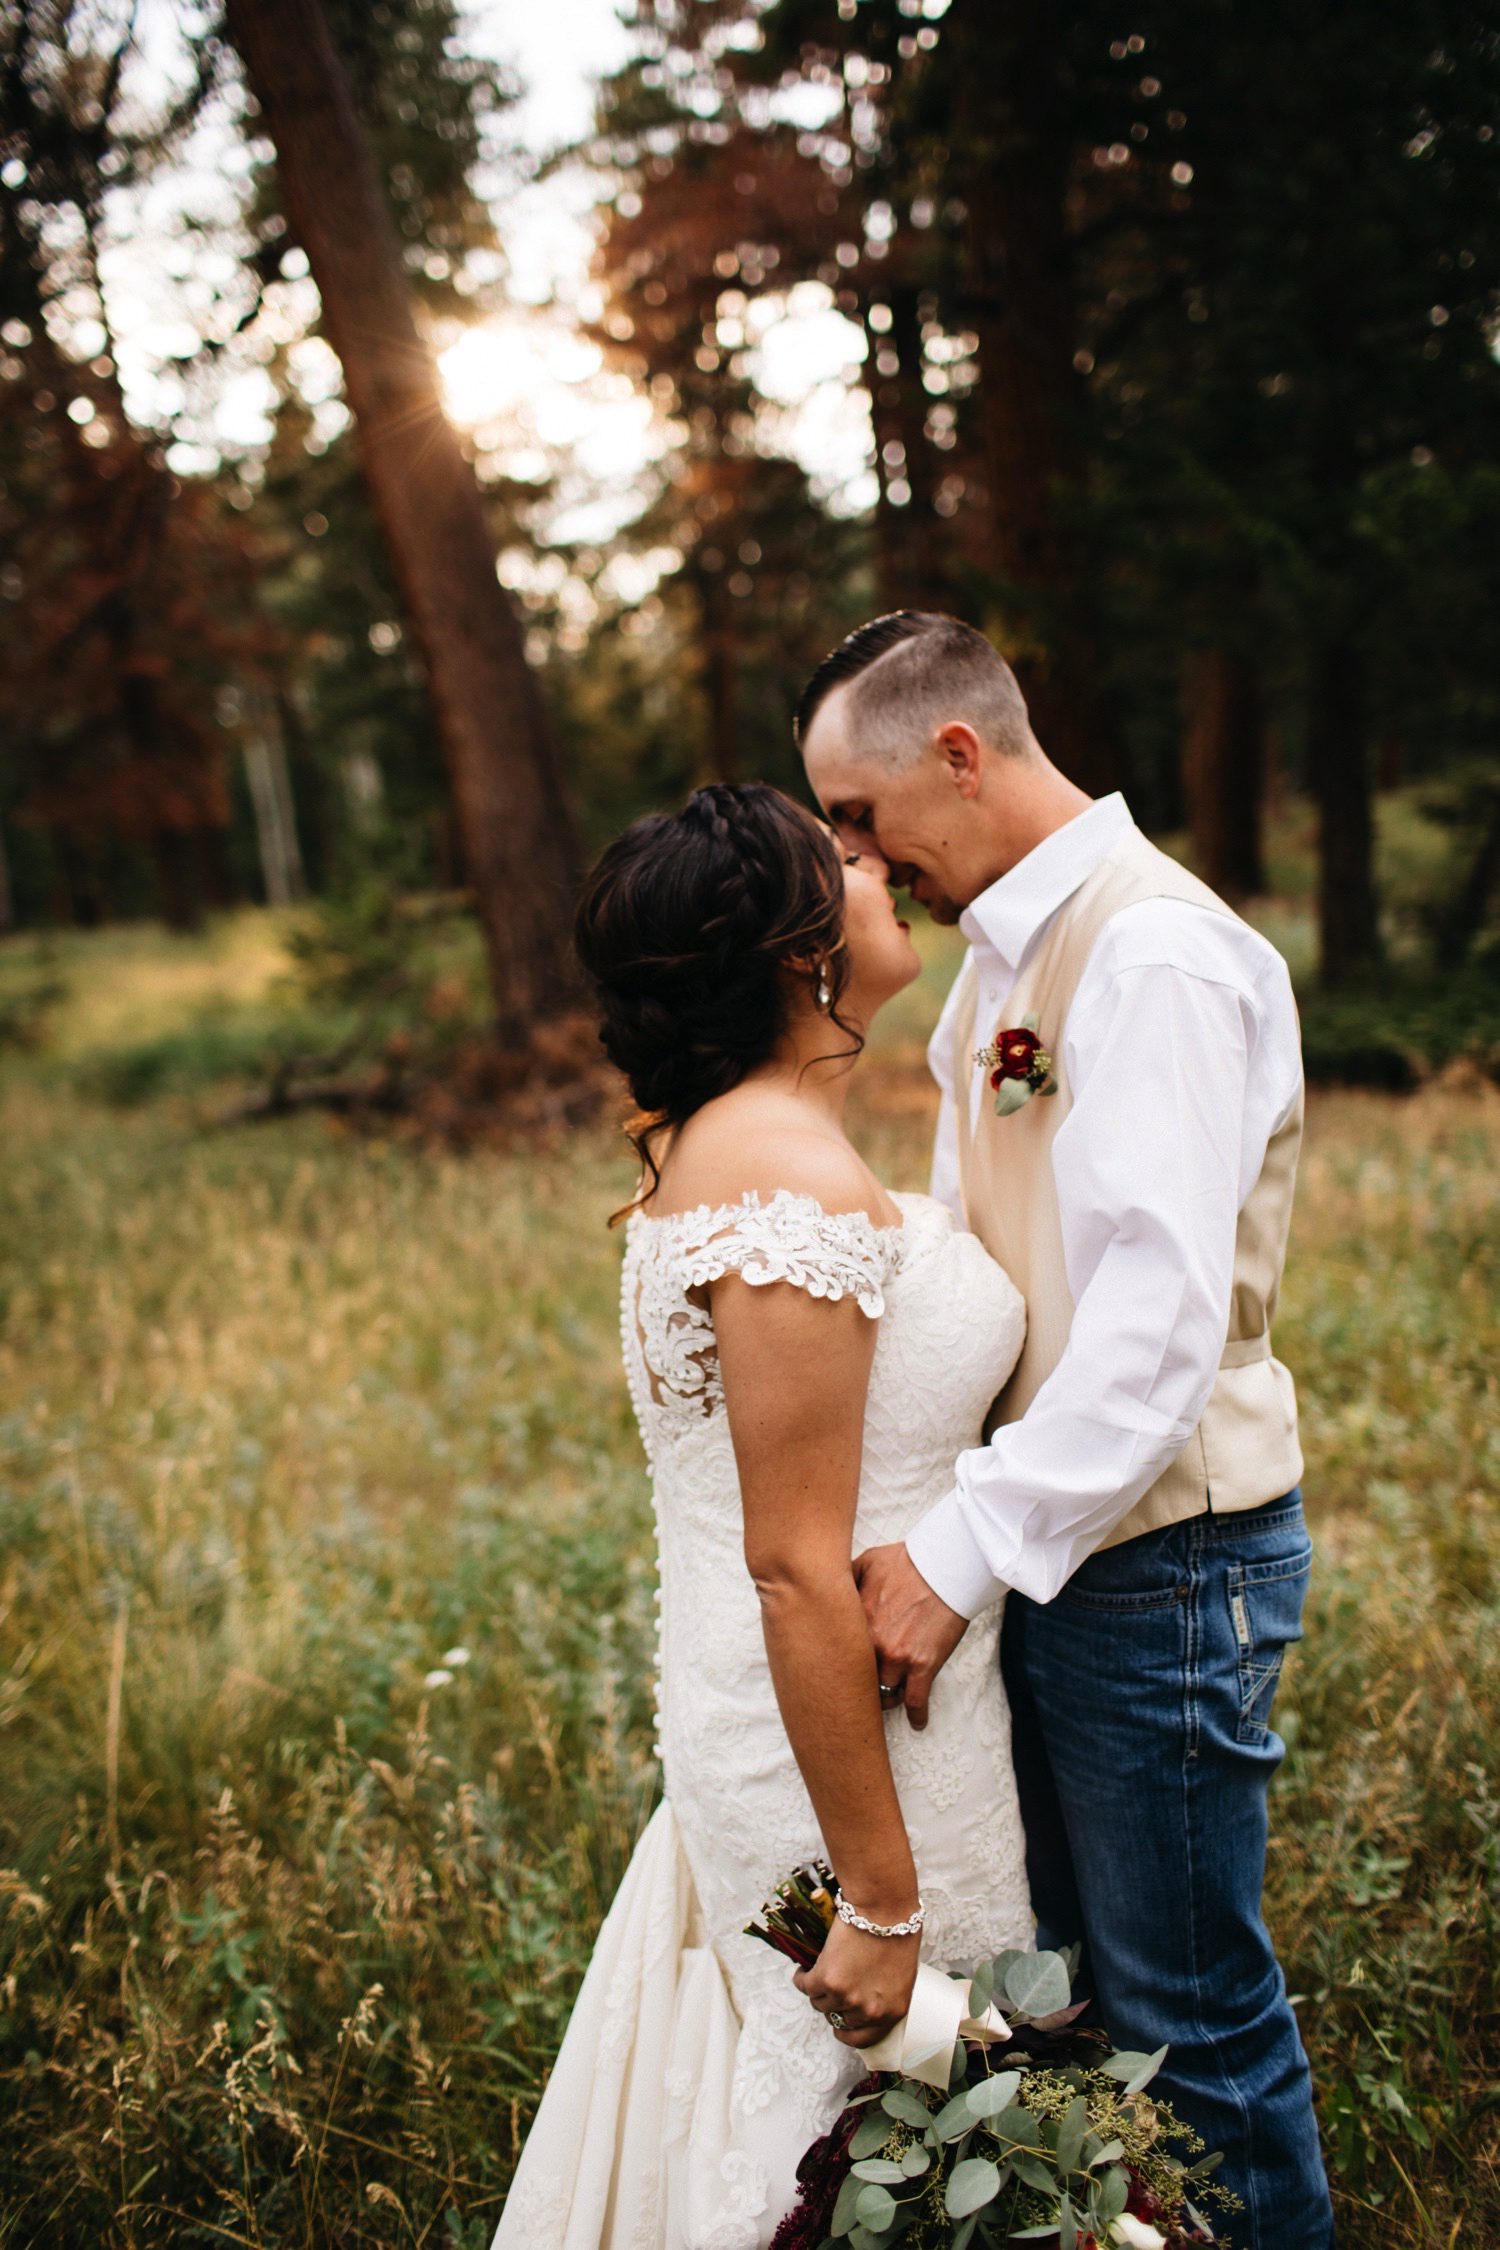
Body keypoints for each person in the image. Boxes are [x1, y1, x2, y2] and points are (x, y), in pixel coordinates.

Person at [797, 611, 1335, 2250]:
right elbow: (996, 1251)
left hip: (1164, 1550)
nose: (855, 860)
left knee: (1191, 2010)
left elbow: (1155, 1330)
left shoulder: (1153, 953)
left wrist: (955, 1551)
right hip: (1067, 1536)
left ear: (959, 755)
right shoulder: (1007, 965)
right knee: (1093, 1992)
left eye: (860, 818)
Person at [492, 783, 1032, 2250]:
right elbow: (796, 1563)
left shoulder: (750, 1140)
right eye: (842, 861)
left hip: (853, 1709)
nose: (876, 868)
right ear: (801, 952)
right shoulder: (779, 1173)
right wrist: (880, 1896)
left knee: (923, 2130)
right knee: (872, 2134)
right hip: (844, 1745)